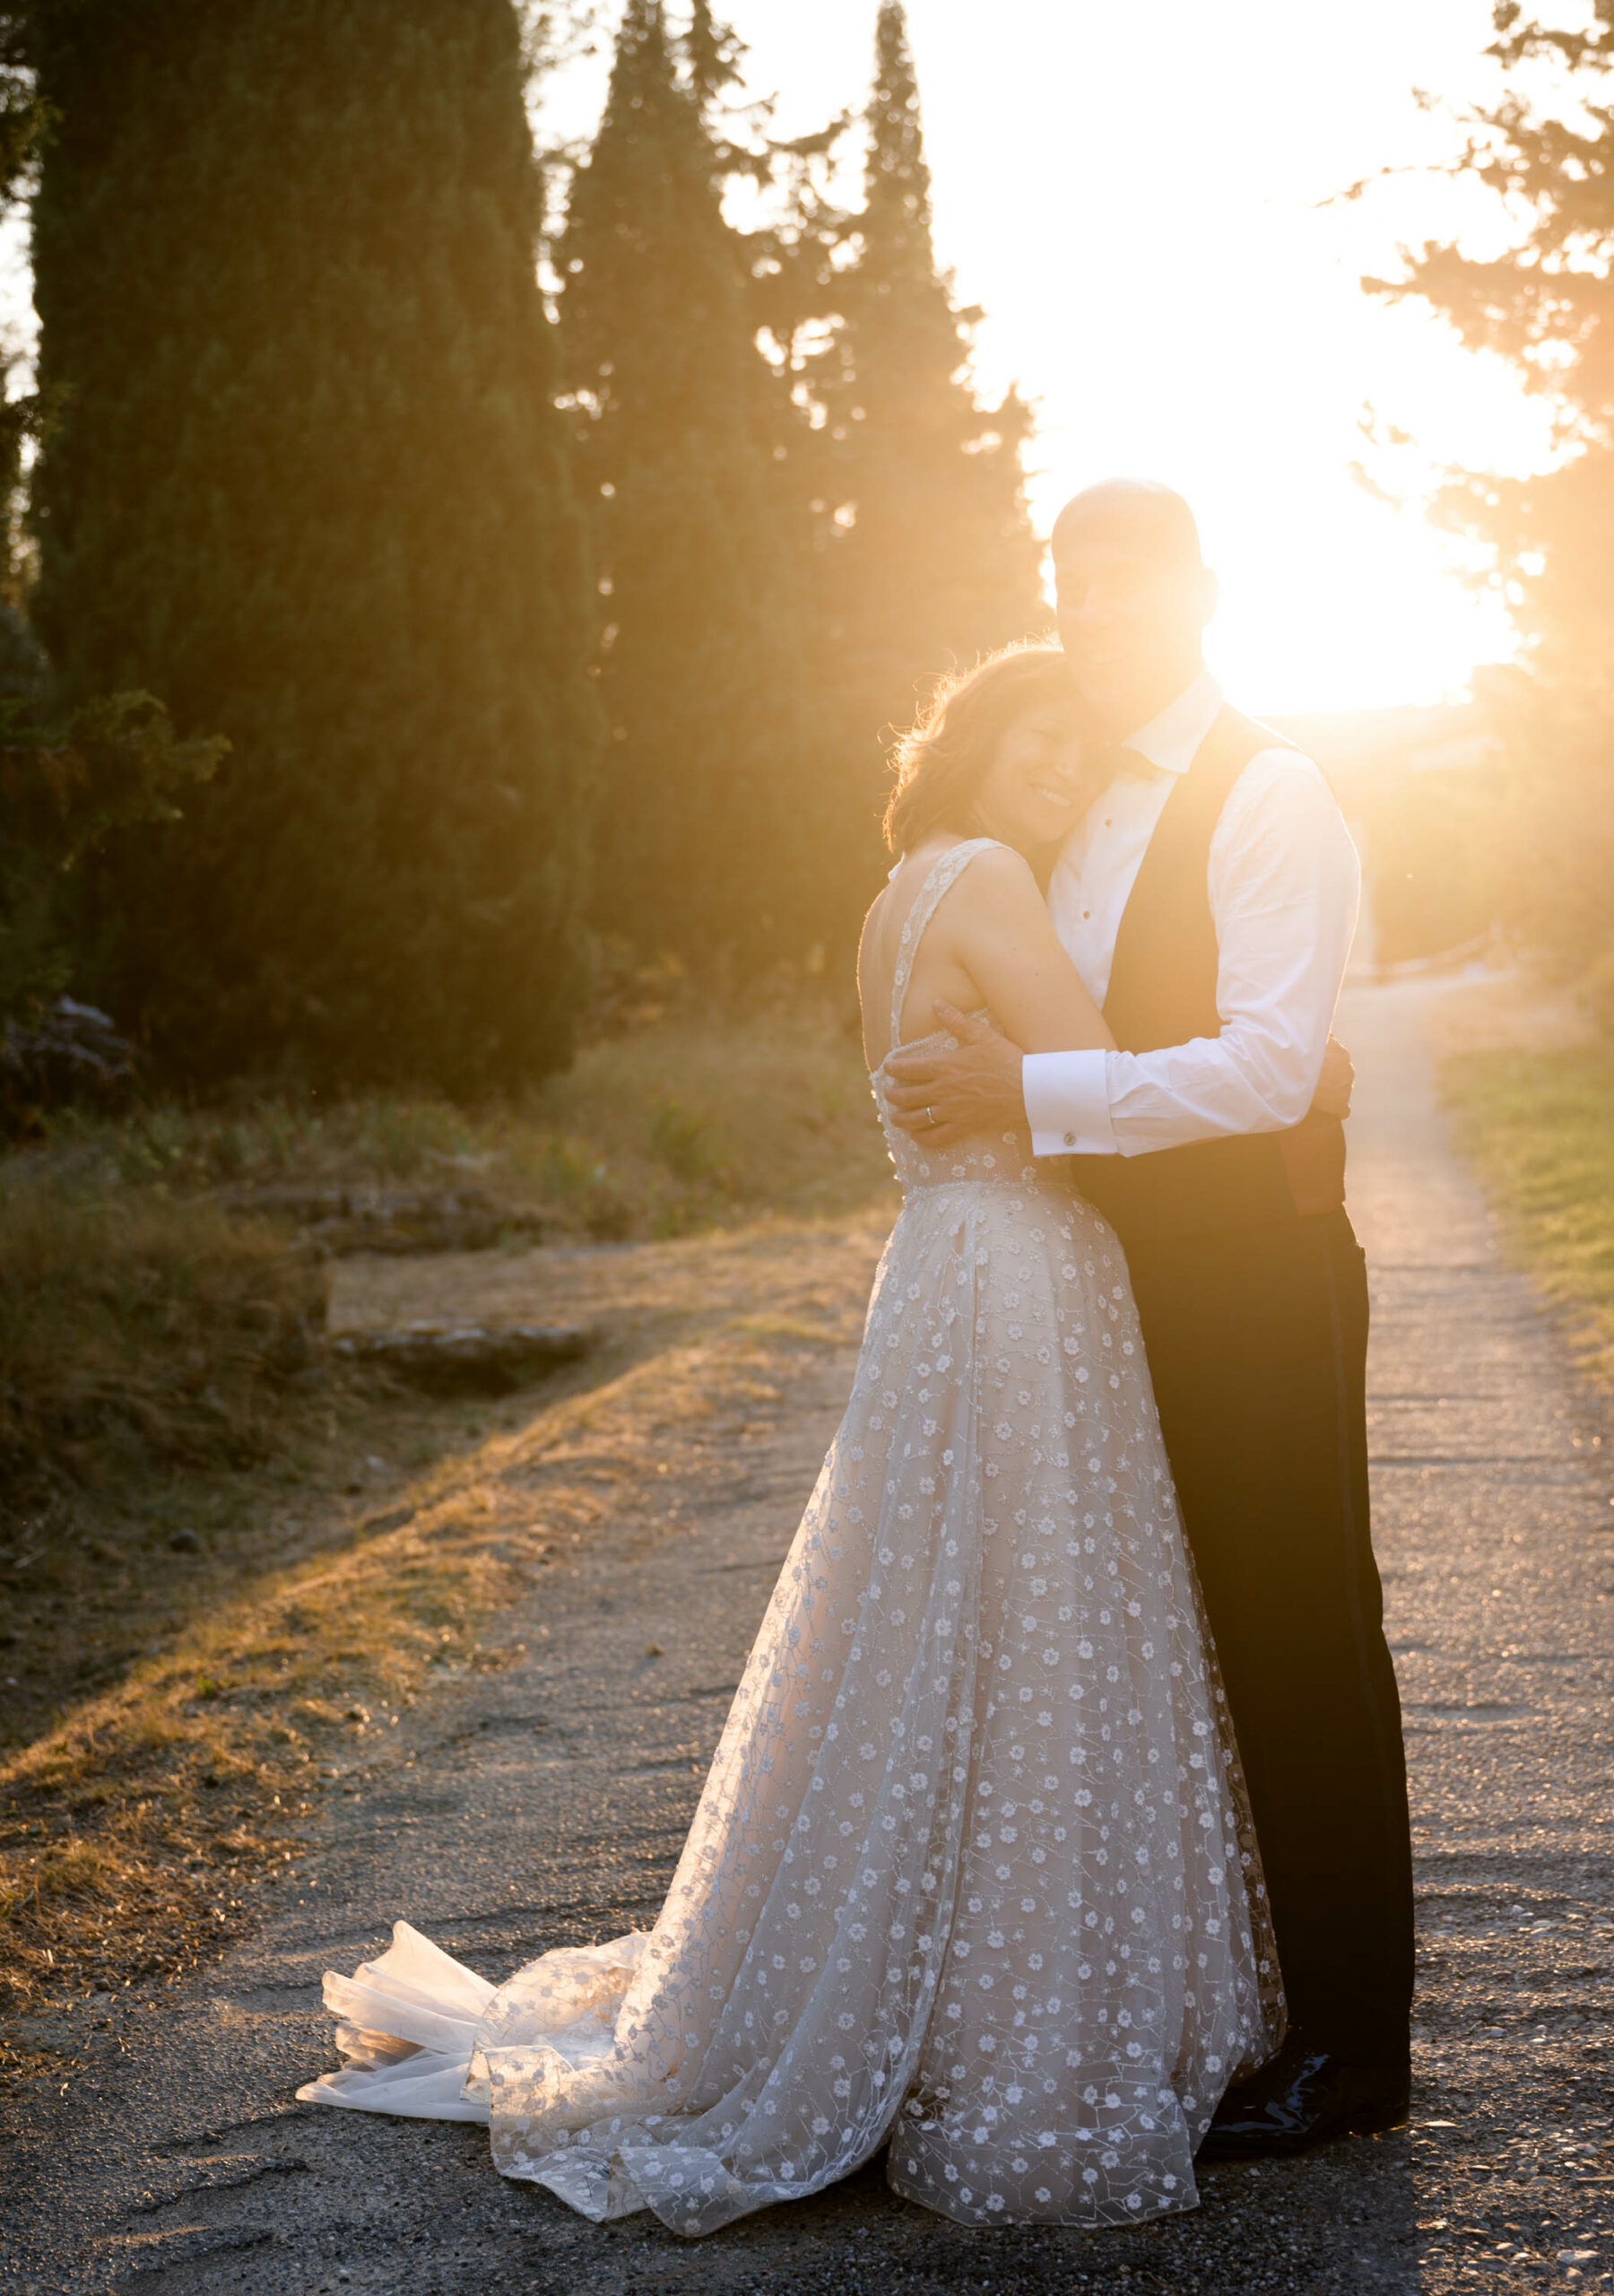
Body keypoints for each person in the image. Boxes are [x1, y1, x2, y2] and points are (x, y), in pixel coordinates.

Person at [297, 644, 1285, 2235]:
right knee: (1026, 1623)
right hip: (1022, 1273)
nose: (1062, 765)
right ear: (970, 745)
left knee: (919, 1624)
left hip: (944, 1270)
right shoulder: (995, 889)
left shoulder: (897, 898)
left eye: (1079, 750)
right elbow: (1082, 1082)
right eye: (1037, 737)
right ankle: (996, 2005)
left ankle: (897, 1962)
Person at [881, 482, 1415, 2155]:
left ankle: (1353, 2048)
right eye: (1070, 588)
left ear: (1197, 593)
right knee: (1153, 1660)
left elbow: (1266, 1062)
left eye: (1125, 588)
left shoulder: (1270, 791)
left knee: (1300, 1647)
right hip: (1099, 1294)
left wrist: (1027, 1091)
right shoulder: (1069, 812)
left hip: (1254, 1282)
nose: (1096, 615)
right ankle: (1215, 2004)